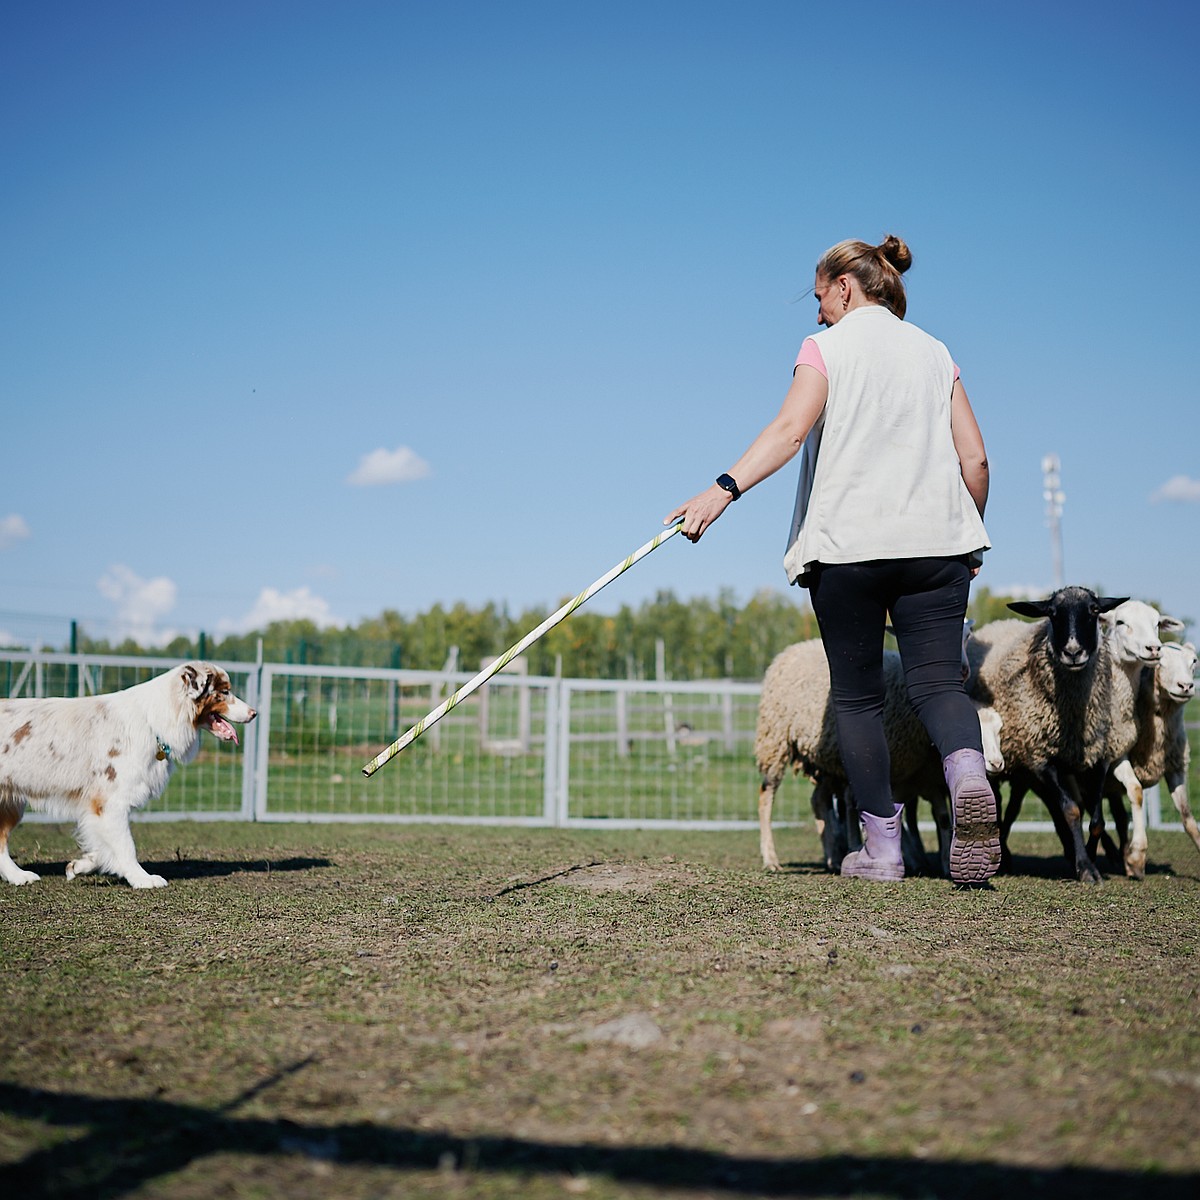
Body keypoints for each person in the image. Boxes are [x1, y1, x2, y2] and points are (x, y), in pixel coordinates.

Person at [665, 235, 996, 884]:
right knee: (936, 685)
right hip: (940, 548)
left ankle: (883, 850)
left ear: (846, 286)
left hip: (848, 550)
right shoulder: (936, 353)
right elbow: (975, 459)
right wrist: (969, 535)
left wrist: (722, 488)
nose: (816, 313)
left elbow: (790, 430)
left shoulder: (827, 348)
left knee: (859, 699)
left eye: (819, 297)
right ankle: (966, 780)